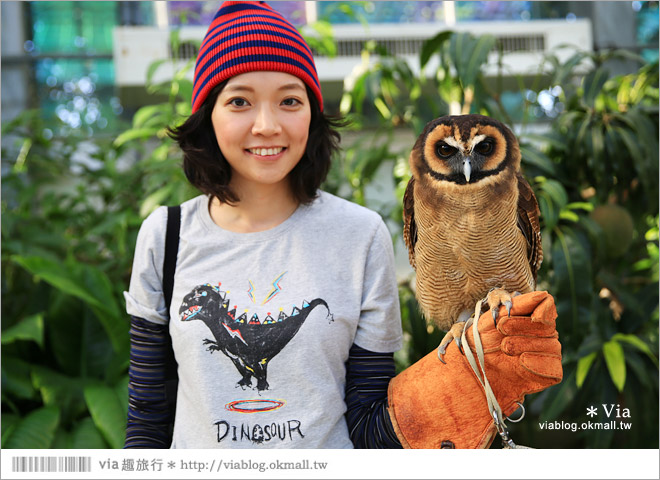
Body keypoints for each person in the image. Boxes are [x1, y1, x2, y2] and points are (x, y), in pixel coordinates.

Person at [124, 1, 562, 449]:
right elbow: (148, 415)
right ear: (207, 115)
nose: (267, 124)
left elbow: (366, 422)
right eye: (239, 101)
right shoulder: (166, 237)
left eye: (289, 100)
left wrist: (457, 390)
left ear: (312, 113)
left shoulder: (360, 235)